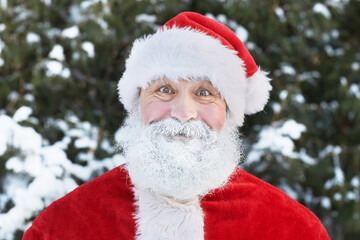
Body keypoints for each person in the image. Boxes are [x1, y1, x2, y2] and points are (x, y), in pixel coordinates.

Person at [23, 12, 330, 240]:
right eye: (165, 90)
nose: (184, 113)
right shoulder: (60, 228)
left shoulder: (294, 229)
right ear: (136, 104)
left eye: (205, 93)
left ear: (229, 112)